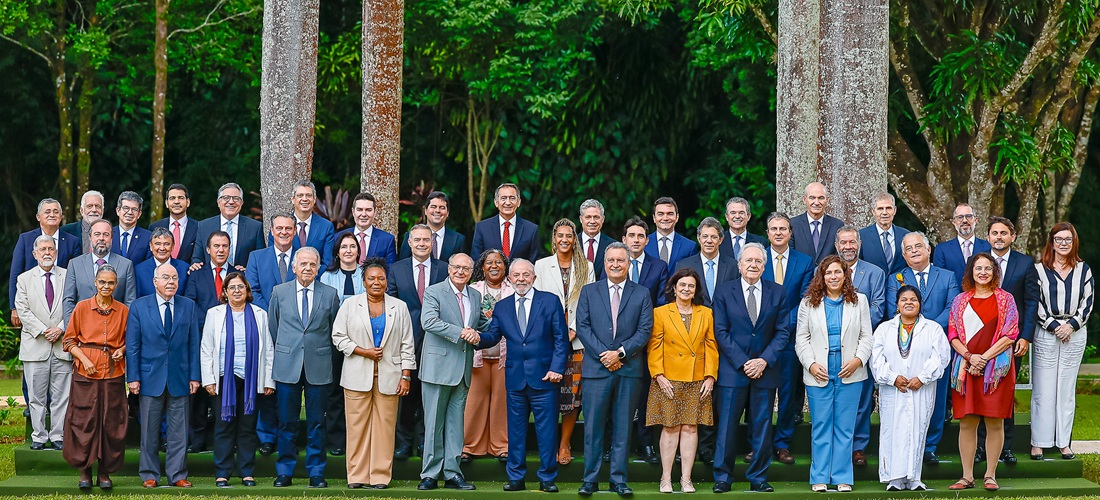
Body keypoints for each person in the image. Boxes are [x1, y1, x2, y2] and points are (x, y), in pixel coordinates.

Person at [476, 258, 570, 493]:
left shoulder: (550, 301)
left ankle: (547, 477)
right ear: (509, 278)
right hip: (515, 379)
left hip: (545, 378)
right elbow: (493, 336)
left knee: (546, 431)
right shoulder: (503, 306)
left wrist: (557, 368)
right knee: (515, 432)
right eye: (516, 275)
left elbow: (561, 338)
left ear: (534, 278)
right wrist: (476, 338)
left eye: (525, 275)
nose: (520, 279)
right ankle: (516, 477)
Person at [575, 242, 654, 497]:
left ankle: (618, 479)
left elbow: (644, 330)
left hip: (628, 369)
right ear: (604, 263)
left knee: (623, 428)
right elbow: (583, 326)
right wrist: (604, 355)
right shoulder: (589, 291)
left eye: (621, 260)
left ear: (629, 264)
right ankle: (590, 479)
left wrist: (619, 353)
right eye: (611, 260)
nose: (616, 265)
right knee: (593, 427)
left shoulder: (641, 293)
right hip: (596, 370)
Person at [711, 243, 789, 493]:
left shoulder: (777, 292)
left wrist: (764, 360)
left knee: (762, 426)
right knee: (726, 427)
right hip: (733, 371)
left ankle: (758, 477)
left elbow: (782, 331)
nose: (753, 265)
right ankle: (723, 476)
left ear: (764, 266)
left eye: (758, 261)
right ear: (740, 265)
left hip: (764, 371)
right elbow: (720, 332)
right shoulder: (724, 292)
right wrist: (744, 362)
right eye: (748, 261)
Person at [331, 258, 416, 489]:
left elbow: (408, 343)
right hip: (357, 374)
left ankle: (379, 476)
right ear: (364, 281)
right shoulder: (350, 305)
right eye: (371, 278)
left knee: (385, 429)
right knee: (356, 427)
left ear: (387, 282)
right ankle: (357, 476)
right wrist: (363, 351)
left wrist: (406, 376)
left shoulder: (399, 307)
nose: (376, 282)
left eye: (381, 278)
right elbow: (338, 337)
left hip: (390, 375)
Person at [794, 256, 873, 492]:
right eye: (828, 273)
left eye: (838, 272)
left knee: (845, 426)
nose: (833, 277)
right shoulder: (808, 303)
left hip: (850, 370)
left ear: (845, 275)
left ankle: (842, 477)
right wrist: (810, 364)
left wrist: (858, 359)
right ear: (822, 276)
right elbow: (801, 339)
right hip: (819, 371)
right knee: (821, 425)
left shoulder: (860, 301)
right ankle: (819, 476)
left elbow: (867, 337)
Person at [268, 247, 342, 488]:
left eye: (312, 264)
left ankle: (316, 471)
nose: (308, 268)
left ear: (319, 267)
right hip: (287, 364)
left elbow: (334, 331)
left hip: (318, 365)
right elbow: (273, 326)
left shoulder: (330, 294)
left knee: (316, 422)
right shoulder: (279, 292)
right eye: (303, 264)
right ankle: (285, 470)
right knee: (287, 421)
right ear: (294, 267)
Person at [416, 253, 491, 491]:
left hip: (463, 368)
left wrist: (498, 323)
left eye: (466, 269)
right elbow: (428, 322)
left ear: (472, 272)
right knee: (434, 423)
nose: (461, 272)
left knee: (456, 424)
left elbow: (481, 324)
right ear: (449, 269)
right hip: (437, 368)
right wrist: (461, 332)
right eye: (457, 267)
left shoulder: (476, 295)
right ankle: (429, 474)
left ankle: (452, 473)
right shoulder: (434, 292)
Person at [885, 231, 960, 464]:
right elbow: (892, 311)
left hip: (937, 347)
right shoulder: (895, 278)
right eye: (908, 248)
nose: (914, 251)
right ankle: (907, 445)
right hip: (905, 349)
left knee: (936, 399)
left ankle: (929, 447)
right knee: (908, 398)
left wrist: (927, 330)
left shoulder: (947, 277)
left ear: (929, 250)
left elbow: (952, 308)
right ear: (904, 255)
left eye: (918, 246)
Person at [946, 253, 1019, 491]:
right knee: (967, 422)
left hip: (995, 371)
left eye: (988, 268)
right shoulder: (960, 301)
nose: (983, 272)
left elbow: (1011, 333)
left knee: (994, 422)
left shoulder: (1006, 299)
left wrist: (984, 359)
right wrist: (970, 358)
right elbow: (953, 335)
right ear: (971, 272)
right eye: (978, 268)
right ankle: (966, 476)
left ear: (995, 272)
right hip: (966, 370)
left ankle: (990, 474)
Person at [126, 264, 201, 488]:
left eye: (175, 278)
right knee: (149, 429)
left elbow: (194, 344)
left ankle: (177, 474)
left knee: (179, 430)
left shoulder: (188, 306)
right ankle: (149, 473)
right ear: (155, 281)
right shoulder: (139, 307)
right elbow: (133, 346)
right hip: (149, 378)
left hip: (180, 376)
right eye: (166, 277)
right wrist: (133, 377)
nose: (171, 282)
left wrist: (194, 376)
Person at [870, 285, 950, 491]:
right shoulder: (884, 329)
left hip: (921, 388)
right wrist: (892, 377)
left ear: (920, 304)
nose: (909, 303)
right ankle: (894, 478)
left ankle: (914, 478)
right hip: (893, 389)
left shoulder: (932, 329)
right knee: (892, 429)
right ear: (897, 304)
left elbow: (940, 357)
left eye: (913, 299)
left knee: (918, 428)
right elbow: (876, 359)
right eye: (904, 299)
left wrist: (922, 378)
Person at [199, 272, 275, 488]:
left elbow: (268, 348)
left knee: (248, 426)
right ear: (224, 292)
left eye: (241, 287)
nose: (237, 291)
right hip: (224, 378)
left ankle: (247, 472)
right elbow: (206, 349)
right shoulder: (214, 314)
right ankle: (222, 473)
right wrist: (208, 380)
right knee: (224, 425)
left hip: (251, 378)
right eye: (232, 287)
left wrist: (269, 380)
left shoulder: (260, 314)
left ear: (247, 290)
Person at [647, 268, 717, 493]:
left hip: (697, 379)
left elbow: (711, 346)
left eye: (691, 286)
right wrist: (658, 376)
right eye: (682, 285)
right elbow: (654, 346)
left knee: (690, 428)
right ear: (674, 288)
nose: (686, 289)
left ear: (696, 290)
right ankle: (665, 478)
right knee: (670, 428)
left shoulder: (705, 313)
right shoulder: (660, 313)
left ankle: (686, 479)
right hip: (668, 379)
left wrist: (710, 376)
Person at [976, 217, 1039, 464]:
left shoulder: (1024, 263)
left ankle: (1006, 447)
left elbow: (1032, 301)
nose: (999, 237)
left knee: (1005, 393)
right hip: (981, 341)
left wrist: (1026, 336)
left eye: (1004, 233)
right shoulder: (980, 263)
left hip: (1012, 343)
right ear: (988, 236)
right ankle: (982, 448)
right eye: (994, 233)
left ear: (1012, 236)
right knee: (982, 393)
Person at [533, 219, 595, 466]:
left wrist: (572, 330)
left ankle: (564, 443)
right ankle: (547, 444)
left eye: (569, 235)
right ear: (554, 238)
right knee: (549, 393)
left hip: (577, 340)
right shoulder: (541, 265)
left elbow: (590, 302)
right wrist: (557, 332)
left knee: (572, 395)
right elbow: (537, 302)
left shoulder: (586, 266)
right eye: (560, 235)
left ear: (575, 239)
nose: (564, 240)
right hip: (548, 340)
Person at [62, 265, 129, 490]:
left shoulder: (124, 310)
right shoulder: (81, 308)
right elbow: (69, 341)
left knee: (110, 422)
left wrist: (123, 349)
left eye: (111, 283)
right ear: (95, 282)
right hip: (85, 373)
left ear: (116, 285)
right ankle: (85, 470)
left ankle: (104, 471)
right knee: (84, 421)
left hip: (113, 372)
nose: (106, 287)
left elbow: (131, 339)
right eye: (102, 282)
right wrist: (85, 359)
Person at [1031, 222, 1094, 460]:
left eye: (1068, 239)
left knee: (1066, 390)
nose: (1064, 244)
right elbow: (1034, 303)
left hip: (1075, 333)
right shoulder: (1039, 269)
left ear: (1074, 242)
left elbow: (1088, 303)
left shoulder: (1083, 269)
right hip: (1047, 332)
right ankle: (1039, 442)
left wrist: (1071, 326)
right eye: (1059, 239)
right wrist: (1056, 326)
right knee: (1043, 389)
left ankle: (1064, 442)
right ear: (1052, 242)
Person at [387, 224, 449, 459]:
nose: (422, 243)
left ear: (432, 243)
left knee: (430, 393)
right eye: (417, 240)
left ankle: (425, 441)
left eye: (426, 240)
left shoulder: (444, 269)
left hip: (436, 341)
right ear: (409, 243)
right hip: (405, 339)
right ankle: (403, 442)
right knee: (406, 393)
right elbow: (391, 302)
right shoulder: (396, 269)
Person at [764, 212, 813, 464]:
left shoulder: (804, 262)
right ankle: (759, 445)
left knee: (786, 395)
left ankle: (782, 444)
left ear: (790, 233)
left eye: (783, 228)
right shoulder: (756, 258)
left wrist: (781, 324)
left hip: (790, 339)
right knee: (761, 396)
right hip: (760, 340)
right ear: (768, 233)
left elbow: (805, 300)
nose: (779, 233)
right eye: (774, 229)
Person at [835, 225, 886, 464]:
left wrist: (851, 325)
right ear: (837, 246)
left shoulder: (875, 273)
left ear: (859, 244)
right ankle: (837, 446)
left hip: (863, 345)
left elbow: (878, 308)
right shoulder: (826, 271)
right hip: (832, 346)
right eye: (843, 243)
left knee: (862, 399)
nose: (848, 247)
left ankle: (858, 447)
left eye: (852, 242)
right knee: (835, 398)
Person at [15, 235, 72, 450]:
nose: (47, 252)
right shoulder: (24, 279)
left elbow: (73, 305)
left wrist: (60, 328)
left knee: (61, 396)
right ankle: (38, 436)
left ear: (56, 252)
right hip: (35, 346)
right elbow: (22, 309)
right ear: (35, 253)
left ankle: (58, 435)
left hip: (61, 345)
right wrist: (43, 330)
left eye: (51, 248)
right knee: (36, 397)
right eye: (43, 249)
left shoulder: (68, 276)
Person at [183, 231, 234, 453]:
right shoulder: (196, 274)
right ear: (208, 249)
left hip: (232, 341)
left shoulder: (237, 274)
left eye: (224, 246)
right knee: (200, 392)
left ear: (229, 249)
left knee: (227, 391)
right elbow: (190, 304)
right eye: (216, 246)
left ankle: (226, 440)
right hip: (202, 338)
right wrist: (210, 324)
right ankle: (198, 440)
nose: (220, 250)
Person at [463, 249, 513, 461]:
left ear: (505, 266)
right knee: (474, 402)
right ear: (481, 267)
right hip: (478, 353)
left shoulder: (514, 289)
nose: (494, 266)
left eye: (499, 262)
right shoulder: (472, 290)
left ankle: (500, 446)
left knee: (501, 401)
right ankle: (470, 446)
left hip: (506, 354)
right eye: (489, 262)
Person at [319, 231, 365, 455]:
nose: (348, 250)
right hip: (335, 341)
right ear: (337, 251)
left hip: (363, 341)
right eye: (344, 247)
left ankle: (360, 439)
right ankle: (337, 440)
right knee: (335, 390)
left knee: (359, 390)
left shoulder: (366, 275)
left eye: (352, 246)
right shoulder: (327, 276)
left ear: (359, 250)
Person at [10, 198, 80, 326]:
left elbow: (76, 274)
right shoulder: (25, 239)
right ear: (38, 217)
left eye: (55, 211)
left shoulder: (72, 241)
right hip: (32, 303)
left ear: (61, 216)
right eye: (47, 212)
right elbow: (16, 273)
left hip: (62, 305)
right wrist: (14, 307)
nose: (52, 215)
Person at [62, 219, 137, 322]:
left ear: (111, 238)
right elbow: (68, 301)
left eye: (106, 235)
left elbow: (130, 301)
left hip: (114, 330)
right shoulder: (75, 264)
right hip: (83, 330)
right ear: (90, 237)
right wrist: (71, 331)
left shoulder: (126, 265)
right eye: (97, 234)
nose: (101, 238)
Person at [191, 182, 266, 269]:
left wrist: (249, 271)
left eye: (236, 198)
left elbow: (260, 260)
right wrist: (196, 265)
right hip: (212, 280)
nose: (231, 202)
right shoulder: (204, 226)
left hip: (243, 280)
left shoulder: (255, 227)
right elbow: (197, 258)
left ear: (241, 203)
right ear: (218, 202)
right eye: (226, 198)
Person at [269, 180, 336, 269]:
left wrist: (311, 277)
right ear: (293, 199)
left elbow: (327, 261)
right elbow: (273, 258)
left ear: (314, 199)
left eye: (308, 195)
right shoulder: (279, 227)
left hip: (316, 279)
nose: (304, 199)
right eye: (300, 195)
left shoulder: (326, 226)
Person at [676, 217, 740, 307]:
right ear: (699, 238)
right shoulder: (684, 265)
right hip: (695, 319)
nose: (709, 241)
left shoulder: (733, 266)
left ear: (720, 240)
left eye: (713, 237)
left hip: (725, 319)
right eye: (705, 236)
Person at [471, 183, 540, 262]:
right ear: (496, 202)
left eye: (512, 198)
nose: (508, 202)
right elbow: (476, 260)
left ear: (519, 202)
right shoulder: (482, 228)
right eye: (503, 198)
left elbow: (535, 262)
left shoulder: (531, 229)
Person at [247, 213, 300, 310]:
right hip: (266, 317)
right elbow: (252, 291)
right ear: (272, 230)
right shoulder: (256, 257)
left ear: (295, 231)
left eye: (288, 228)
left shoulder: (304, 257)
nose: (284, 232)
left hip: (297, 321)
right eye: (279, 228)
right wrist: (271, 314)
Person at [399, 191, 467, 261]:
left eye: (442, 207)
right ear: (425, 210)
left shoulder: (458, 240)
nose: (437, 210)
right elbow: (403, 265)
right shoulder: (411, 236)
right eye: (433, 207)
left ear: (448, 213)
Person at [933, 203, 992, 284]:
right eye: (960, 217)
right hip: (953, 296)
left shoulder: (988, 246)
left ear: (976, 220)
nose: (964, 220)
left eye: (969, 216)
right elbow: (940, 281)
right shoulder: (942, 250)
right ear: (953, 222)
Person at [336, 192, 398, 266]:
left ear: (374, 212)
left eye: (368, 210)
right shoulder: (338, 237)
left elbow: (390, 272)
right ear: (353, 212)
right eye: (359, 210)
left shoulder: (387, 240)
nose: (364, 214)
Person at [791, 182, 843, 265]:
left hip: (828, 276)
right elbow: (790, 256)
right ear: (804, 200)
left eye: (821, 198)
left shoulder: (837, 225)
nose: (816, 202)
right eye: (812, 198)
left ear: (827, 200)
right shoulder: (793, 224)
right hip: (801, 277)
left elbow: (839, 257)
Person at [622, 216, 670, 307]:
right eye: (631, 235)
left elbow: (662, 302)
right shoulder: (613, 265)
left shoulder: (659, 267)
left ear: (647, 241)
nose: (636, 240)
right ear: (624, 240)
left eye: (640, 236)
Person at [859, 192, 910, 275]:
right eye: (880, 209)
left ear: (895, 210)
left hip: (901, 286)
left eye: (888, 208)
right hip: (872, 286)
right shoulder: (862, 236)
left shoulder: (906, 235)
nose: (885, 212)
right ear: (873, 211)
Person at [645, 197, 698, 274]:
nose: (665, 218)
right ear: (654, 218)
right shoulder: (644, 244)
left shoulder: (689, 247)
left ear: (677, 217)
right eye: (660, 214)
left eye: (670, 214)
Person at [134, 228, 190, 298]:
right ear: (151, 246)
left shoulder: (184, 268)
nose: (162, 248)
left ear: (172, 247)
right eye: (157, 244)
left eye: (166, 244)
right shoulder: (139, 270)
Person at [150, 183, 199, 262]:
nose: (176, 202)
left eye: (181, 198)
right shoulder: (154, 227)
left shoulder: (199, 227)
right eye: (172, 198)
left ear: (188, 202)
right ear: (166, 203)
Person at [112, 191, 154, 264]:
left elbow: (148, 264)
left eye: (134, 209)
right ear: (118, 211)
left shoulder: (148, 237)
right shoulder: (108, 234)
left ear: (139, 214)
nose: (130, 212)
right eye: (126, 208)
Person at [578, 199, 616, 278]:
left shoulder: (613, 246)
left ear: (602, 219)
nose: (592, 221)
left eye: (596, 217)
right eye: (588, 217)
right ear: (581, 219)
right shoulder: (572, 243)